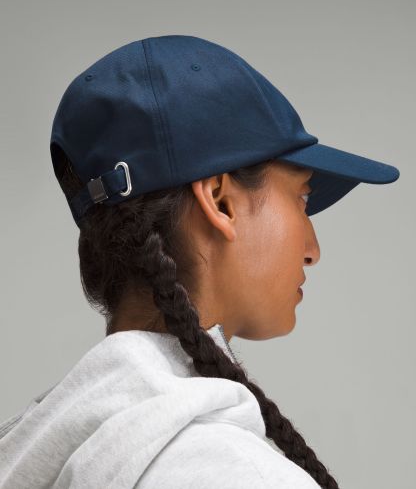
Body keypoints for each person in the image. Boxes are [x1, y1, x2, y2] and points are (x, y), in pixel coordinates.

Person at [0, 35, 400, 489]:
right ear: (220, 201)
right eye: (302, 199)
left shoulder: (40, 448)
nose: (313, 249)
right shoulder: (239, 476)